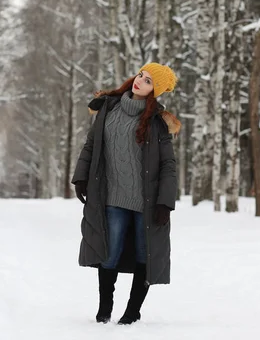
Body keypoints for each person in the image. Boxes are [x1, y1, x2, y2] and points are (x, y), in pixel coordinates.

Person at [71, 62, 181, 325]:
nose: (139, 81)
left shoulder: (158, 123)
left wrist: (165, 202)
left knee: (146, 255)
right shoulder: (109, 108)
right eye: (141, 75)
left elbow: (168, 164)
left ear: (156, 91)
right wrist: (81, 177)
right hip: (112, 198)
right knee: (109, 252)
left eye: (148, 81)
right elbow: (91, 145)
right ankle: (105, 307)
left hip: (147, 201)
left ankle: (132, 311)